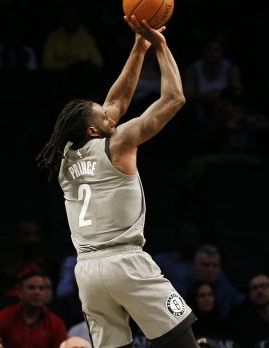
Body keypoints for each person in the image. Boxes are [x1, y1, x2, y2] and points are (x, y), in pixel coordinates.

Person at [35, 16, 197, 347]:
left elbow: (116, 101)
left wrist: (139, 48)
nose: (112, 115)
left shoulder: (66, 154)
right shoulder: (118, 143)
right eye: (105, 117)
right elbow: (175, 98)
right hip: (125, 261)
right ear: (94, 130)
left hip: (88, 272)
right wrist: (162, 47)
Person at [0, 272, 67, 348]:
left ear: (46, 293)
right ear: (20, 291)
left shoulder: (56, 324)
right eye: (31, 287)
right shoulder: (3, 318)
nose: (37, 292)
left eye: (41, 288)